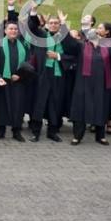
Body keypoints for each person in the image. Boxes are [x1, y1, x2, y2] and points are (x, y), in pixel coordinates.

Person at [70, 24, 111, 146]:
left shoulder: (108, 47)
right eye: (91, 33)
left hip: (102, 84)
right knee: (81, 109)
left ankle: (100, 136)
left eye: (96, 32)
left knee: (101, 108)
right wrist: (64, 25)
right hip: (84, 83)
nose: (94, 33)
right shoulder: (81, 46)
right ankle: (77, 136)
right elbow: (69, 43)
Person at [27, 8, 78, 143]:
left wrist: (58, 56)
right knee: (39, 102)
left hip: (58, 74)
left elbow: (75, 51)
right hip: (43, 74)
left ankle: (52, 132)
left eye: (56, 23)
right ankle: (36, 132)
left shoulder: (65, 38)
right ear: (47, 24)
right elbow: (32, 26)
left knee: (55, 103)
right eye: (52, 23)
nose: (54, 25)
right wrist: (33, 12)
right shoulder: (41, 35)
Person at [0, 20, 32, 142]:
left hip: (18, 81)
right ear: (5, 31)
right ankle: (0, 131)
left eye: (15, 29)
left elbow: (28, 63)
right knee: (1, 106)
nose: (13, 31)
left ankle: (16, 131)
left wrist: (20, 75)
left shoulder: (23, 45)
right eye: (11, 29)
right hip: (3, 81)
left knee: (18, 106)